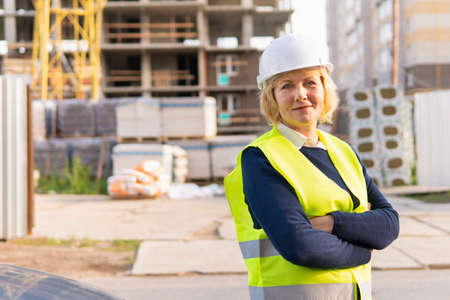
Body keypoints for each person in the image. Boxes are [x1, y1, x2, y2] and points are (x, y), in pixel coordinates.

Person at [224, 34, 399, 300]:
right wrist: (363, 250)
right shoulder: (261, 158)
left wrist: (330, 223)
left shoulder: (344, 151)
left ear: (324, 89)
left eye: (310, 83)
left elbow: (388, 224)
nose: (301, 95)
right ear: (272, 97)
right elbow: (300, 245)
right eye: (286, 86)